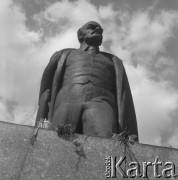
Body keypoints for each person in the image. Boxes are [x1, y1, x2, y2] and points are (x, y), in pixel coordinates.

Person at [36, 21, 139, 141]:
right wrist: (40, 121)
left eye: (100, 30)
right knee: (55, 142)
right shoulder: (63, 54)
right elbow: (46, 89)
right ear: (80, 34)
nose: (97, 30)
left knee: (105, 140)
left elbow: (125, 97)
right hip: (66, 101)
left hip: (101, 102)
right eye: (91, 27)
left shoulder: (114, 61)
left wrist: (130, 135)